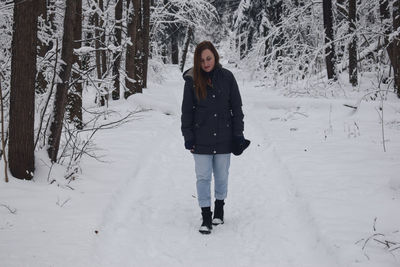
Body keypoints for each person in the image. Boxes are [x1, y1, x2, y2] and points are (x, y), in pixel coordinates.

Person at [181, 41, 249, 234]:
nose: (206, 63)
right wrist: (188, 136)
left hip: (224, 137)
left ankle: (219, 208)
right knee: (202, 177)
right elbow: (186, 112)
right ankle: (205, 216)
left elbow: (237, 109)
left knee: (221, 176)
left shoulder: (227, 77)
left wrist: (238, 135)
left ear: (215, 57)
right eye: (202, 60)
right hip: (200, 139)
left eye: (209, 58)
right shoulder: (192, 80)